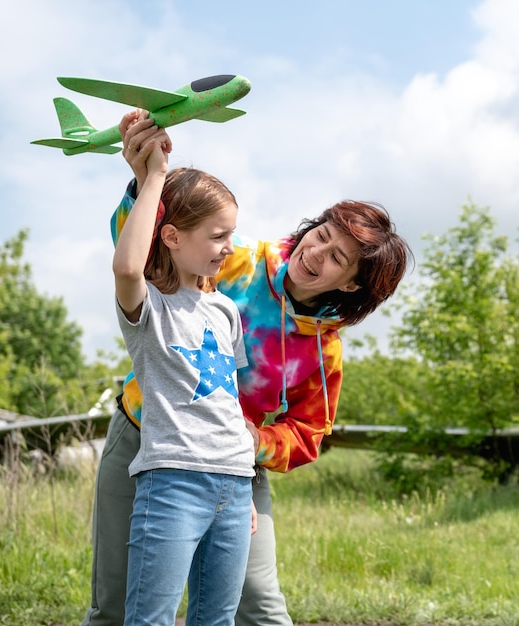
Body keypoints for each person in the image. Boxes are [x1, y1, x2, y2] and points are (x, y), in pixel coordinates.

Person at [81, 111, 413, 626]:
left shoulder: (323, 353)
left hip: (235, 469)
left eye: (339, 257)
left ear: (351, 284)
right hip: (146, 436)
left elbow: (307, 433)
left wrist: (251, 442)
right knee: (119, 601)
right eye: (322, 234)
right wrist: (143, 183)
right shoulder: (235, 260)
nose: (317, 252)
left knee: (258, 604)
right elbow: (142, 256)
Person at [112, 126, 256, 626]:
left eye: (231, 234)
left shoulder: (226, 311)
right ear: (171, 236)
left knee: (216, 619)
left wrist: (244, 487)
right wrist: (155, 176)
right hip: (172, 483)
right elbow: (128, 267)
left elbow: (230, 404)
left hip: (234, 487)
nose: (228, 247)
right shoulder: (152, 307)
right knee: (149, 618)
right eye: (217, 236)